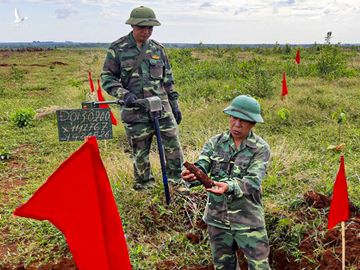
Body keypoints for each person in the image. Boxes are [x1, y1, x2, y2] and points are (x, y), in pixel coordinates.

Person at [182, 95, 271, 270]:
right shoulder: (215, 143)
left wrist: (229, 186)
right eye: (234, 118)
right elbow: (203, 164)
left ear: (253, 123)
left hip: (248, 219)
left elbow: (253, 181)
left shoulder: (260, 149)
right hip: (217, 218)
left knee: (259, 266)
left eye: (243, 121)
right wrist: (193, 175)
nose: (237, 125)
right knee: (223, 266)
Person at [100, 6, 184, 190]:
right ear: (133, 26)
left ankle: (176, 183)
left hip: (161, 109)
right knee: (140, 152)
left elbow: (167, 80)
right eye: (142, 28)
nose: (146, 32)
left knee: (173, 147)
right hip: (135, 111)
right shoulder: (117, 49)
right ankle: (144, 186)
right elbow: (107, 78)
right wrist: (124, 94)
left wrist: (174, 104)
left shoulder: (158, 49)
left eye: (150, 28)